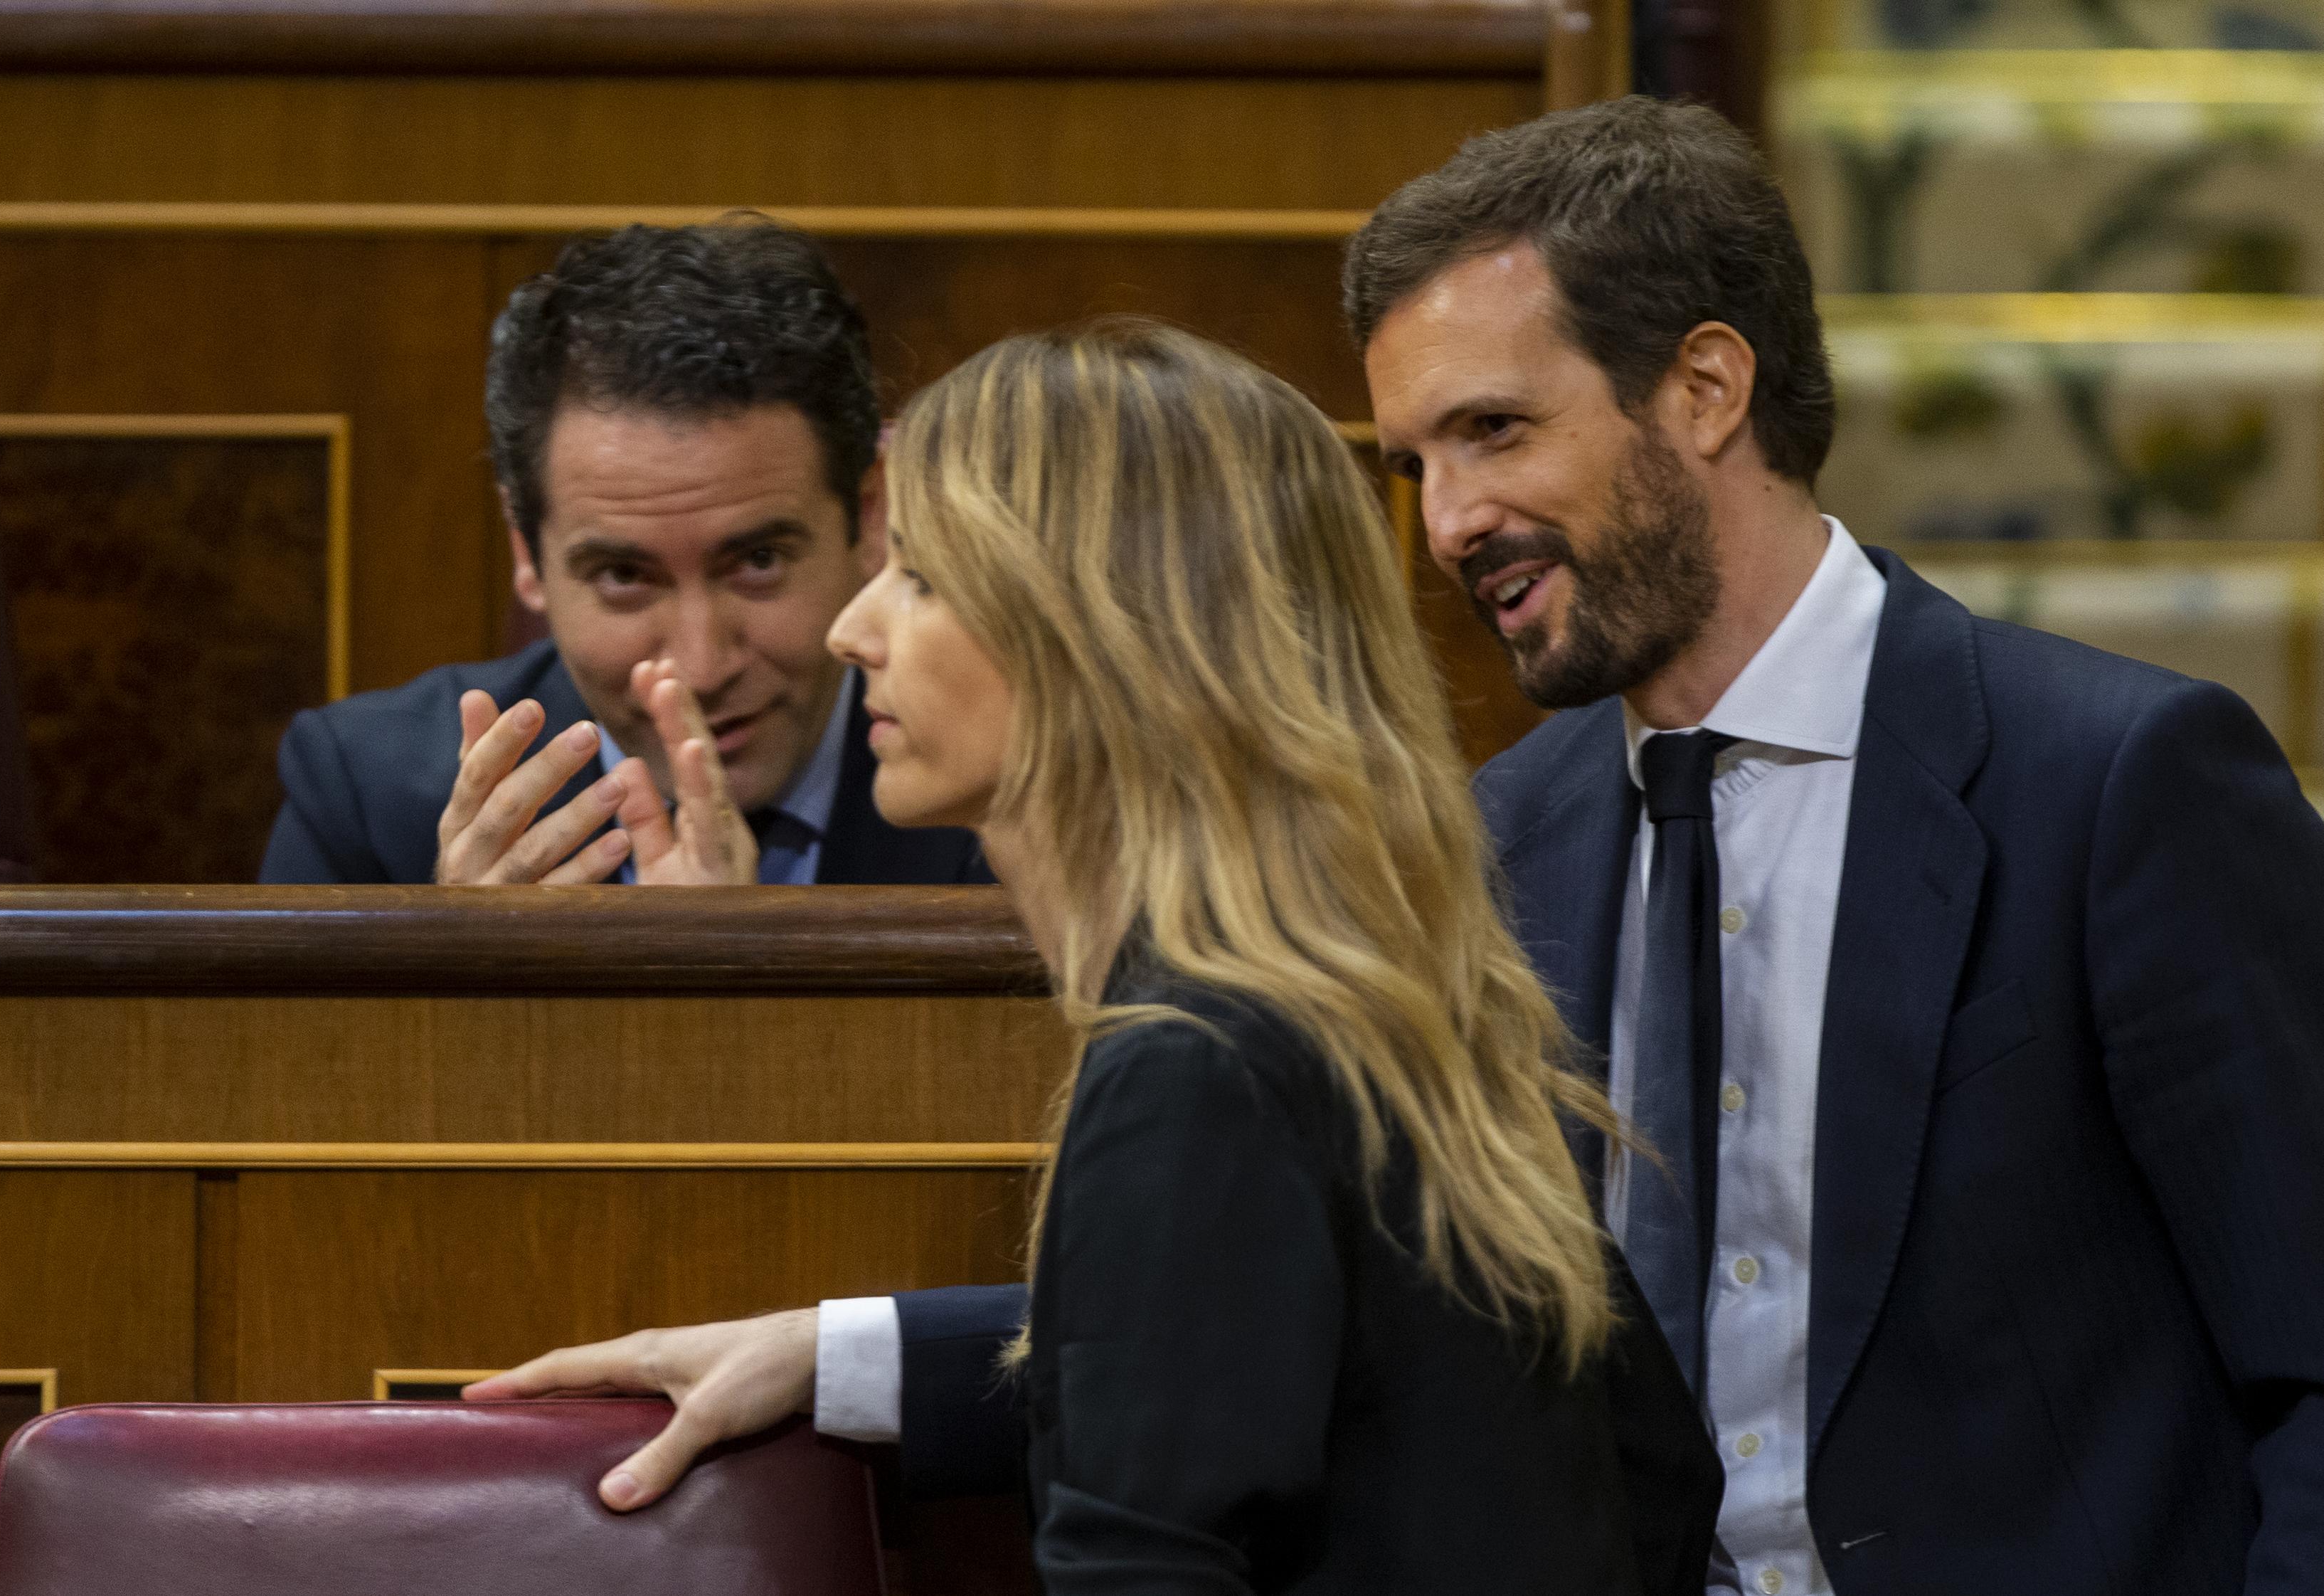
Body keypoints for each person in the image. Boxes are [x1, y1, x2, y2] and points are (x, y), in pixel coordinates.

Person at [491, 97, 2324, 1596]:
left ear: (1702, 388)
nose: (1447, 523)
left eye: (1494, 432)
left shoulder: (2122, 781)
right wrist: (852, 1355)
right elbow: (1378, 1303)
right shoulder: (1499, 833)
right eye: (1411, 461)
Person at [467, 321, 1724, 1592]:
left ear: (1090, 629)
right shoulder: (1375, 1015)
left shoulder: (1192, 1065)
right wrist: (838, 1351)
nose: (853, 629)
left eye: (916, 574)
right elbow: (1652, 1478)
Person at [258, 219, 987, 887]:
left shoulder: (1007, 783)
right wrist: (467, 996)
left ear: (870, 517)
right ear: (527, 551)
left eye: (759, 560)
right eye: (624, 576)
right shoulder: (367, 800)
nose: (700, 671)